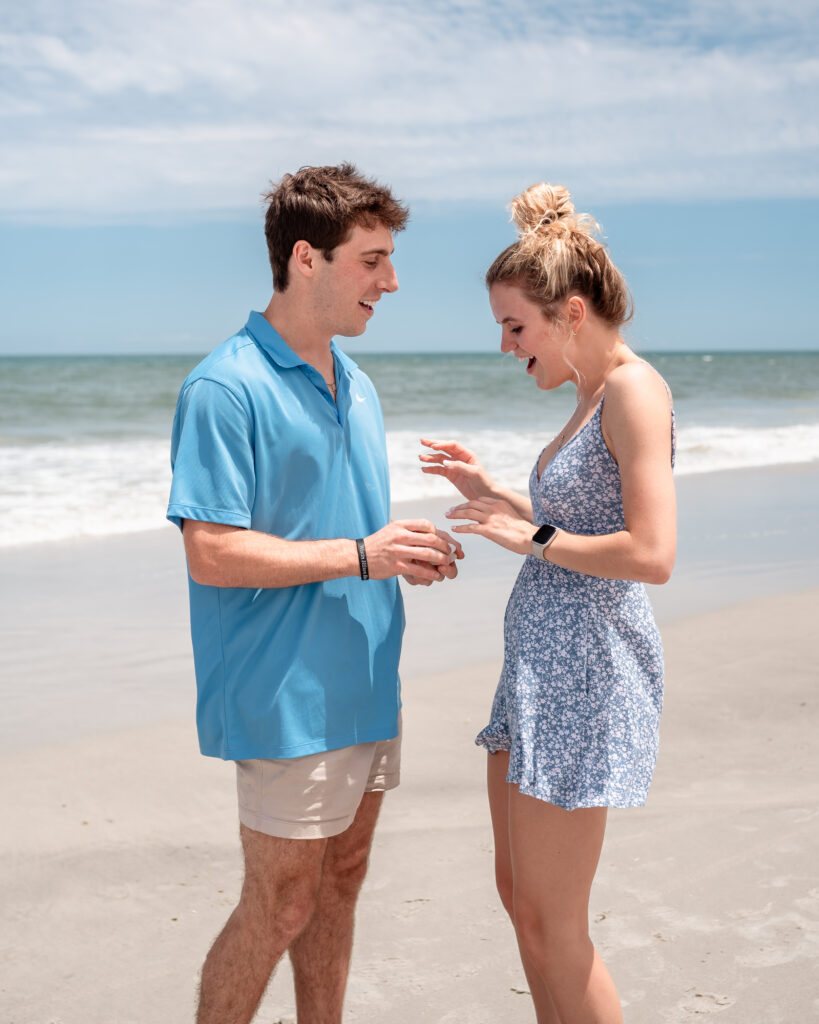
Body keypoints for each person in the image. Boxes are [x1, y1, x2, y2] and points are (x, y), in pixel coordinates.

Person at [167, 162, 462, 1024]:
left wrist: (402, 552)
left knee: (340, 884)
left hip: (368, 683)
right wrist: (360, 555)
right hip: (281, 691)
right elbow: (211, 551)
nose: (392, 281)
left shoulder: (357, 385)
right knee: (281, 904)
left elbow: (341, 531)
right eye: (372, 260)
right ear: (307, 258)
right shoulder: (224, 387)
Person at [420, 182, 676, 1023]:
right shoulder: (588, 397)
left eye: (514, 326)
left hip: (585, 677)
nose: (503, 345)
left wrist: (528, 540)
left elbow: (649, 553)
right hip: (539, 673)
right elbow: (583, 518)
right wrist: (495, 492)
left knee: (555, 922)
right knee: (523, 905)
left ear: (570, 312)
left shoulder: (634, 391)